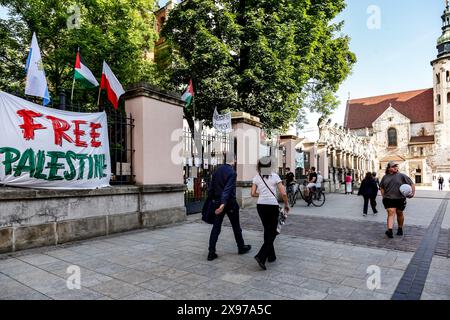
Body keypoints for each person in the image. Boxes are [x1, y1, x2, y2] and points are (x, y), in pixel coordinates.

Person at [207, 158, 251, 261]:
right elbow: (227, 189)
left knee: (216, 227)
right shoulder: (232, 172)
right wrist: (223, 204)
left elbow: (211, 187)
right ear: (234, 160)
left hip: (218, 202)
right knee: (236, 226)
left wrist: (214, 200)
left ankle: (211, 252)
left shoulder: (217, 170)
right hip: (229, 203)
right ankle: (241, 247)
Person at [251, 157, 289, 270]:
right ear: (269, 165)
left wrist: (262, 195)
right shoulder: (275, 176)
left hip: (260, 206)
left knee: (267, 230)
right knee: (273, 231)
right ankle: (261, 256)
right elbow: (283, 193)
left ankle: (271, 256)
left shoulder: (256, 177)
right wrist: (286, 204)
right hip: (272, 206)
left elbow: (252, 193)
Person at [379, 161, 415, 239]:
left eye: (396, 166)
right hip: (388, 198)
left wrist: (412, 193)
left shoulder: (402, 176)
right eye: (393, 166)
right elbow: (381, 187)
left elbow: (411, 184)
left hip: (400, 198)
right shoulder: (385, 177)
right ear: (388, 169)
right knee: (391, 212)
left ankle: (400, 228)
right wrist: (383, 196)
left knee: (399, 213)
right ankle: (390, 231)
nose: (395, 167)